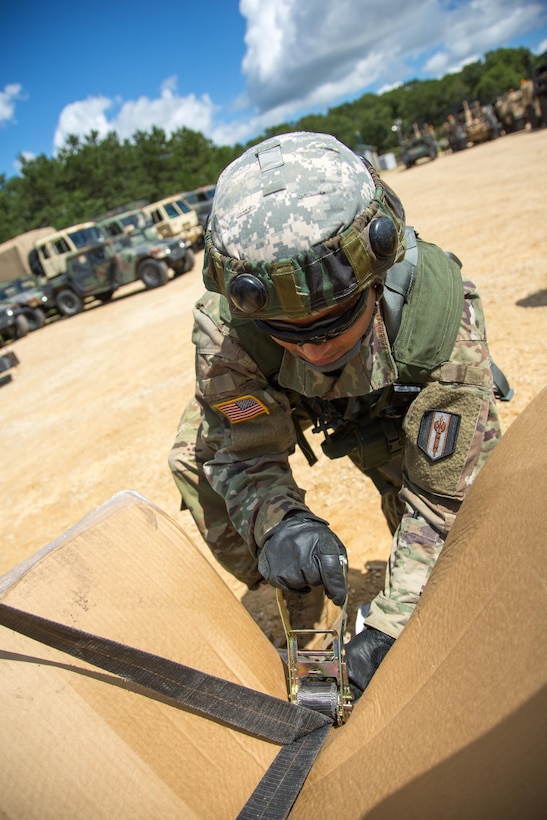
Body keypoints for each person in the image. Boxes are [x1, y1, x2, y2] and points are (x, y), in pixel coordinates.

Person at [168, 131, 502, 698]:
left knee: (456, 555)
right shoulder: (227, 334)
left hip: (398, 393)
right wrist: (279, 526)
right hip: (288, 396)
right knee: (199, 465)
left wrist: (388, 632)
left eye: (335, 320)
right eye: (291, 333)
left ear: (377, 268)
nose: (318, 348)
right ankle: (303, 590)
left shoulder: (440, 315)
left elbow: (444, 501)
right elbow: (242, 453)